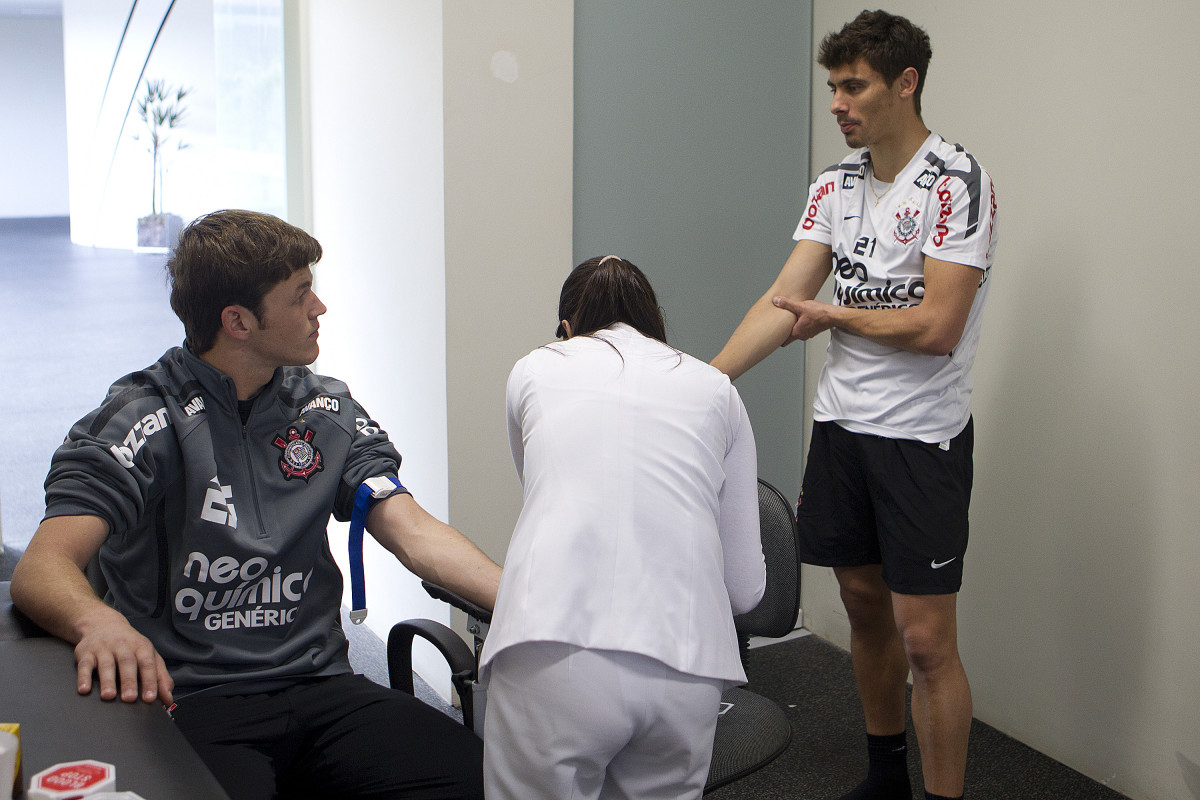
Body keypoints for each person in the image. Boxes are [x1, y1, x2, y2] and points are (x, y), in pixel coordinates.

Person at [10, 209, 501, 800]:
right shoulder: (142, 415)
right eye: (299, 296)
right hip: (193, 699)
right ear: (238, 321)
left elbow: (413, 532)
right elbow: (43, 566)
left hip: (322, 686)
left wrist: (525, 602)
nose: (319, 308)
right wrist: (98, 620)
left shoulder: (326, 411)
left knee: (487, 787)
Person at [711, 11, 998, 800]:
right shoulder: (837, 184)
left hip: (921, 439)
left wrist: (836, 315)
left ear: (905, 84)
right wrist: (706, 381)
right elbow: (785, 300)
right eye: (832, 86)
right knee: (865, 607)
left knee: (928, 641)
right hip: (843, 430)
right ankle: (884, 776)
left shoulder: (954, 182)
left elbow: (939, 326)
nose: (838, 102)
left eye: (854, 85)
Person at [479, 255, 767, 800]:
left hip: (553, 648)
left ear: (566, 329)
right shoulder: (717, 389)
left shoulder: (535, 368)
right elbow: (746, 589)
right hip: (689, 666)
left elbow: (541, 491)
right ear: (656, 324)